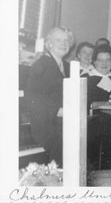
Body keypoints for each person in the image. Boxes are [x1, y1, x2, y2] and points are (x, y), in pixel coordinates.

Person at [25, 27, 74, 167]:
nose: (63, 43)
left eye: (66, 40)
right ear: (49, 43)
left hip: (64, 121)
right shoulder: (42, 64)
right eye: (58, 40)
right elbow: (33, 96)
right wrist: (57, 110)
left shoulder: (68, 66)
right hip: (47, 124)